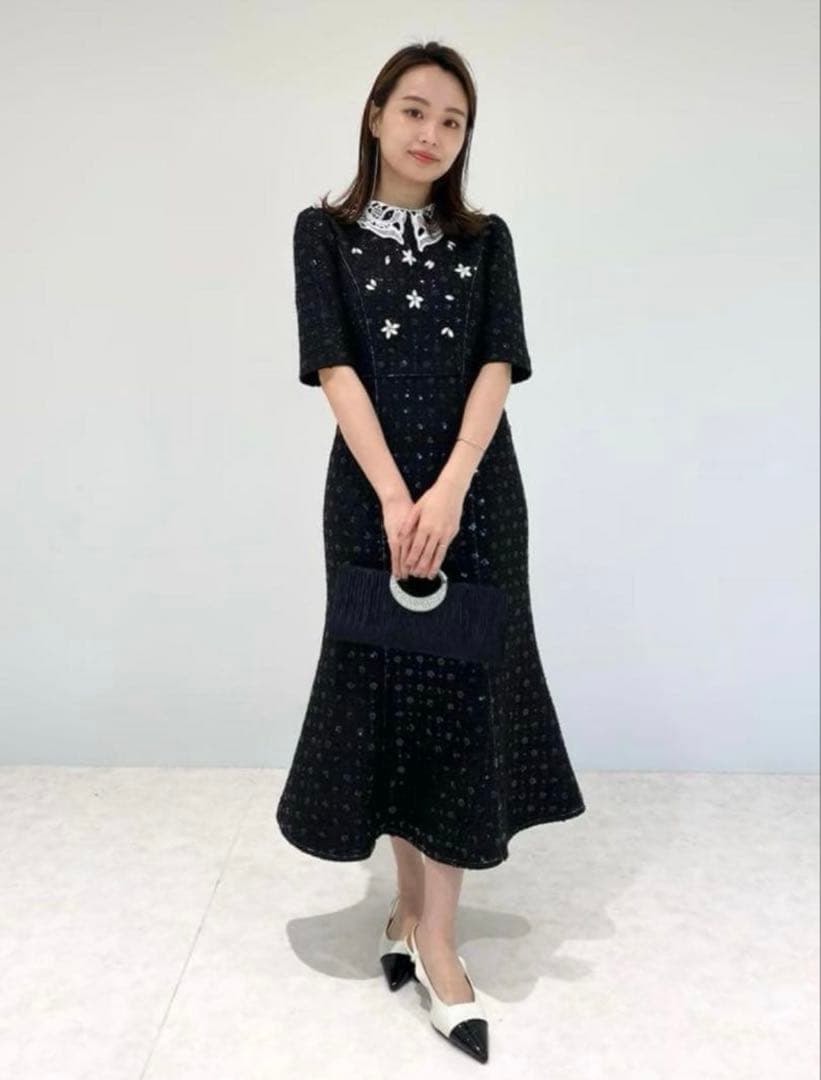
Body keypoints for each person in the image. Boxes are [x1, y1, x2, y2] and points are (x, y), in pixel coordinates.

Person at [276, 40, 586, 1064]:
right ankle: (409, 914)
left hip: (475, 501)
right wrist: (395, 496)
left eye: (452, 121)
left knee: (455, 703)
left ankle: (437, 941)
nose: (431, 133)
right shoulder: (322, 234)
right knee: (394, 700)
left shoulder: (485, 241)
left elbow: (498, 362)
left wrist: (448, 488)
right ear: (375, 115)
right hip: (370, 503)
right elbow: (333, 366)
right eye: (414, 110)